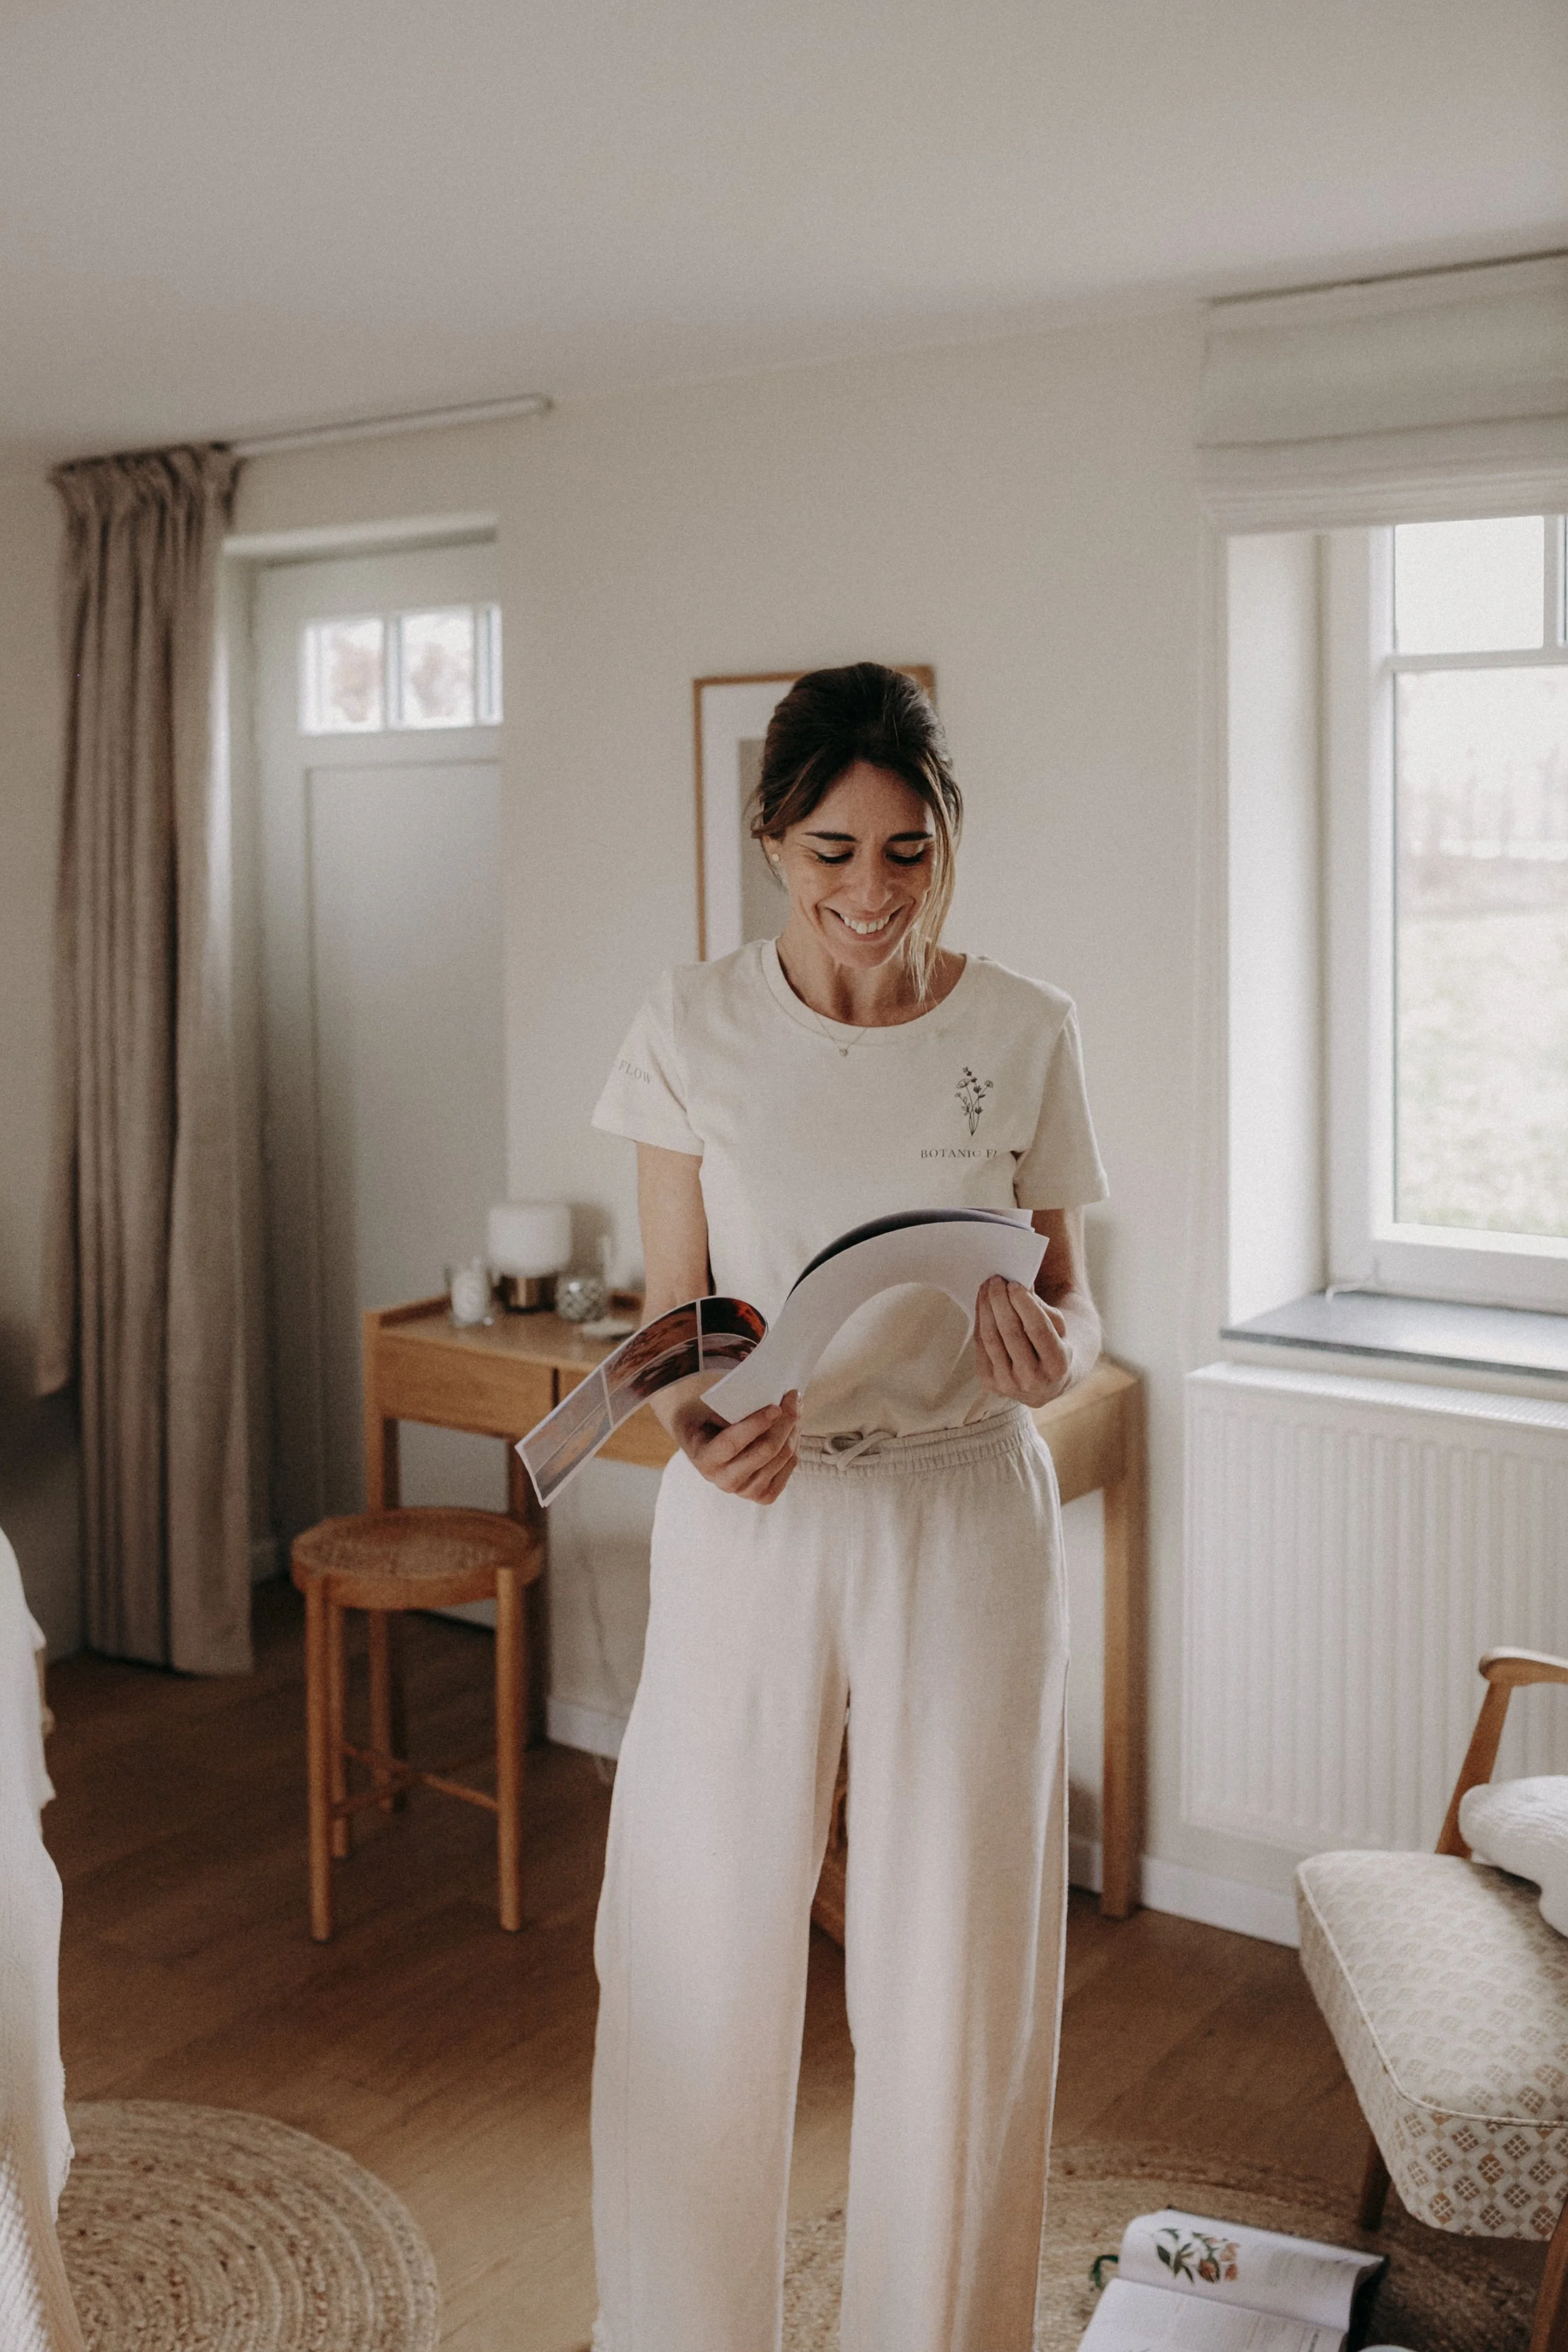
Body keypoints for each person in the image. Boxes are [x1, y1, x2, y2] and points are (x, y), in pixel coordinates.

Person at [588, 663, 1107, 2352]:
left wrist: (1049, 1350)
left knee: (953, 1967)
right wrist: (684, 1409)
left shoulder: (1024, 1025)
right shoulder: (688, 1024)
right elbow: (671, 1318)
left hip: (966, 1510)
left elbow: (1074, 1304)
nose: (871, 894)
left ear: (946, 840)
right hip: (758, 1510)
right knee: (693, 1941)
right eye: (832, 852)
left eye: (907, 852)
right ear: (767, 839)